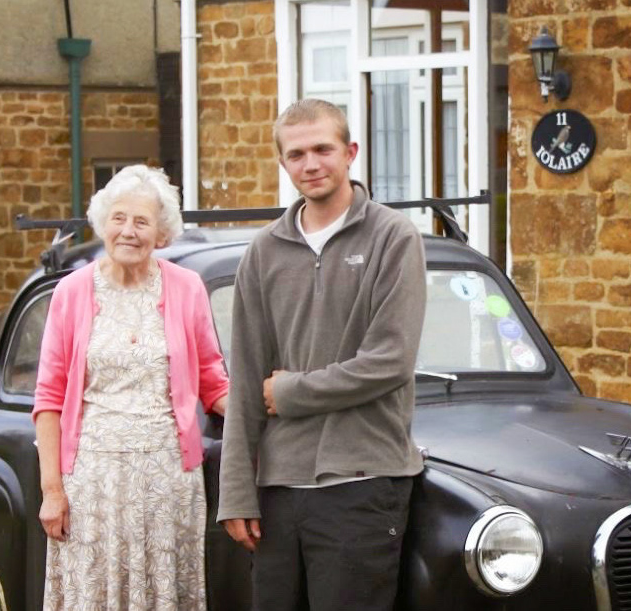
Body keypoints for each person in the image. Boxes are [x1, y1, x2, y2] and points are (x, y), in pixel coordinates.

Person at [217, 99, 427, 611]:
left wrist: (291, 392)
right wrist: (237, 492)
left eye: (322, 149)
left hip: (364, 482)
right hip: (278, 489)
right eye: (296, 154)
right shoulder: (263, 252)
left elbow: (390, 361)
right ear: (282, 163)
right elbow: (246, 378)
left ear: (350, 152)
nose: (310, 164)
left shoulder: (393, 237)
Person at [33, 164, 229, 611]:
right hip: (92, 482)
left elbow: (212, 380)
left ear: (161, 233)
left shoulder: (187, 288)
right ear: (103, 223)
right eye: (119, 218)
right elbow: (49, 398)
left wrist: (263, 413)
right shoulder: (71, 292)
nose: (128, 231)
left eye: (142, 221)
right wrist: (52, 491)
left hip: (167, 480)